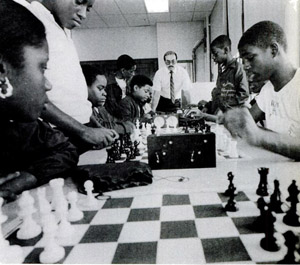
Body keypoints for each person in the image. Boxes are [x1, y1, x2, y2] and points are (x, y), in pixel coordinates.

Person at [0, 0, 79, 201]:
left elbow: (65, 150)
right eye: (42, 68)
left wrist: (21, 181)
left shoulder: (21, 124)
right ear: (2, 71)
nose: (48, 85)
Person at [25, 0, 118, 152]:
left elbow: (74, 97)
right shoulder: (31, 18)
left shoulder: (64, 29)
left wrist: (95, 126)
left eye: (88, 8)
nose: (83, 14)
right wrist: (84, 131)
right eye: (79, 2)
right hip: (58, 133)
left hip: (80, 129)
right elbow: (34, 96)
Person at [223, 21, 300, 160]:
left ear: (273, 50)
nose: (245, 66)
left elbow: (256, 133)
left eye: (250, 58)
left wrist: (259, 136)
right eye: (243, 60)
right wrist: (232, 119)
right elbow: (247, 122)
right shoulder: (267, 90)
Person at [195, 35, 249, 122]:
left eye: (215, 54)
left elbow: (242, 97)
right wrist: (208, 106)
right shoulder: (222, 71)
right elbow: (219, 95)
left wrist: (222, 108)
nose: (213, 57)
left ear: (226, 50)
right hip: (219, 118)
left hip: (231, 119)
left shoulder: (239, 69)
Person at [82, 64, 135, 134]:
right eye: (100, 88)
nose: (105, 93)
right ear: (84, 87)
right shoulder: (82, 110)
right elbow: (101, 126)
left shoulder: (100, 108)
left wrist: (127, 123)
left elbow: (112, 120)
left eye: (104, 89)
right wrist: (125, 127)